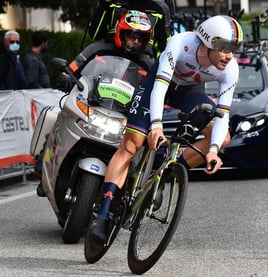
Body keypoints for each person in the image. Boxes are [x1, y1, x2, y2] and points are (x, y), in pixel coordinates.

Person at [89, 15, 244, 243]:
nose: (229, 56)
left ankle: (166, 172)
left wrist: (212, 150)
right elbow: (160, 89)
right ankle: (103, 213)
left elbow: (223, 112)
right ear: (207, 42)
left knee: (222, 139)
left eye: (234, 49)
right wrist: (156, 127)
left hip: (188, 92)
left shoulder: (230, 69)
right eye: (224, 48)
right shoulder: (181, 44)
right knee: (132, 144)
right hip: (159, 84)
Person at [35, 10, 155, 196]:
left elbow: (156, 90)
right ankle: (45, 161)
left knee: (146, 142)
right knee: (59, 113)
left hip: (123, 115)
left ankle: (138, 187)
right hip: (92, 105)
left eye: (141, 37)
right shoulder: (97, 49)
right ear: (120, 32)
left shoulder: (148, 64)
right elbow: (73, 68)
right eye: (132, 35)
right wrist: (66, 77)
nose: (136, 41)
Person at [88, 0, 172, 58]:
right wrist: (104, 5)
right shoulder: (113, 2)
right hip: (110, 58)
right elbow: (95, 35)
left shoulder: (160, 9)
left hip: (142, 63)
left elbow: (164, 49)